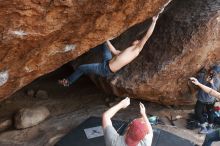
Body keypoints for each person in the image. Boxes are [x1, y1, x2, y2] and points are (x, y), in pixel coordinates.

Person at [58, 1, 171, 87]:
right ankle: (93, 43)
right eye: (137, 40)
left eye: (138, 40)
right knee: (104, 44)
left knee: (82, 68)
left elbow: (147, 36)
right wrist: (106, 40)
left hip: (105, 69)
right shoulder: (128, 50)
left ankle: (68, 81)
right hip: (107, 61)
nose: (137, 40)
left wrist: (154, 21)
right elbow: (115, 51)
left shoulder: (137, 49)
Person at [190, 77, 220, 146]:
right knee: (209, 137)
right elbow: (211, 91)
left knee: (209, 137)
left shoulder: (217, 80)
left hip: (208, 101)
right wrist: (198, 83)